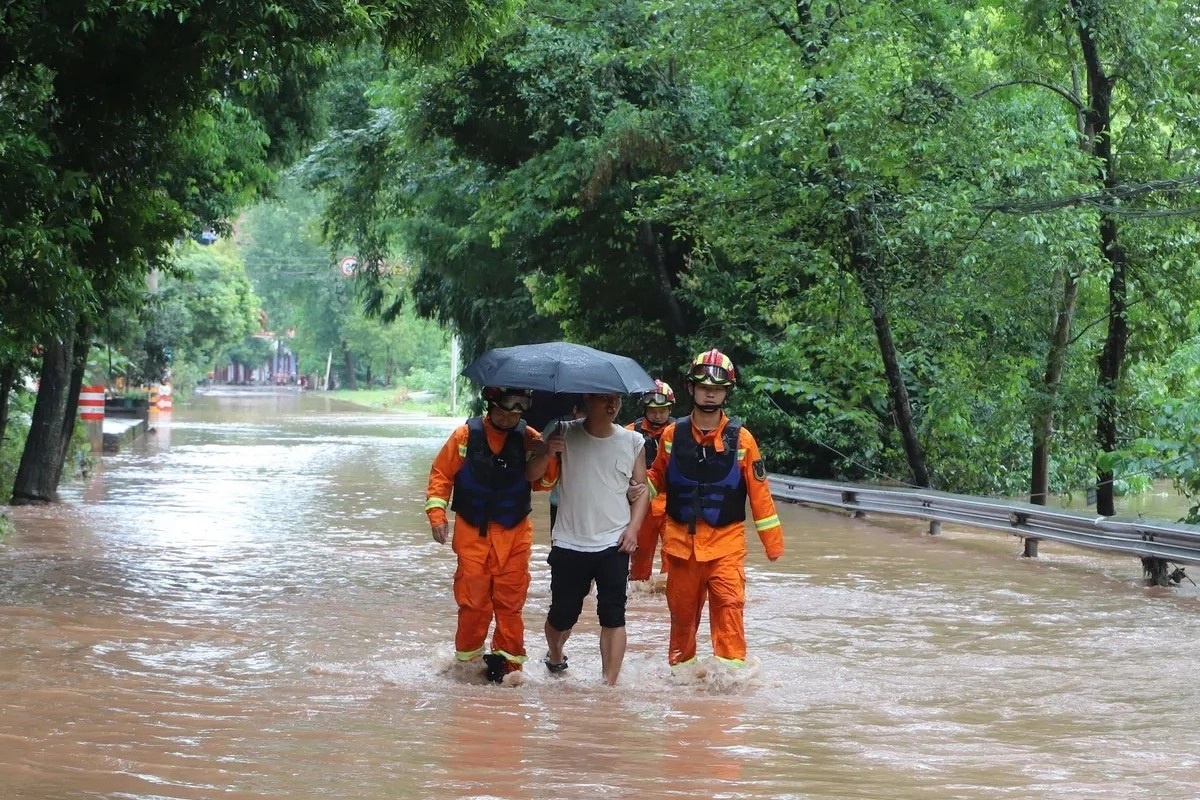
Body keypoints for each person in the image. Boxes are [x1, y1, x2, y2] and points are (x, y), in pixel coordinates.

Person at [646, 349, 784, 670]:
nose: (710, 393)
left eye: (718, 388)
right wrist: (628, 497)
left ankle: (731, 689)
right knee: (682, 622)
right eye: (704, 386)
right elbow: (656, 479)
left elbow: (760, 495)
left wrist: (773, 545)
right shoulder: (671, 435)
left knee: (730, 612)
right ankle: (681, 686)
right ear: (691, 388)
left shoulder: (743, 440)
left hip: (726, 547)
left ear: (726, 392)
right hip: (681, 549)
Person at [424, 386, 558, 683]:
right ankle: (468, 666)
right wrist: (437, 515)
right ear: (492, 404)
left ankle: (509, 668)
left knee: (511, 605)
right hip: (473, 534)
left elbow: (545, 483)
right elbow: (441, 475)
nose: (511, 418)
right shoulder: (464, 436)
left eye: (517, 412)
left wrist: (548, 454)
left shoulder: (530, 438)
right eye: (506, 410)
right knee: (473, 604)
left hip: (515, 535)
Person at [539, 391, 648, 685]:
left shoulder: (633, 441)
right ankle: (555, 653)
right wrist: (547, 452)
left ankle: (608, 687)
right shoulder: (563, 433)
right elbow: (533, 478)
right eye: (604, 398)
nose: (612, 405)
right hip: (569, 540)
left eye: (617, 399)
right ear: (588, 399)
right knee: (563, 614)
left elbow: (642, 489)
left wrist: (634, 529)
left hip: (614, 541)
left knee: (614, 615)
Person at [626, 379, 676, 583]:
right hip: (642, 503)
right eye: (653, 410)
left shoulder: (680, 431)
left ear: (669, 408)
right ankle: (639, 607)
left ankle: (669, 598)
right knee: (640, 559)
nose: (658, 415)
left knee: (674, 555)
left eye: (663, 410)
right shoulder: (629, 432)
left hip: (672, 503)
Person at [547, 400, 585, 533]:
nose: (586, 421)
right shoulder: (557, 427)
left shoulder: (601, 429)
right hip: (560, 502)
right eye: (583, 415)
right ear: (575, 410)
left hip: (589, 505)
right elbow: (537, 452)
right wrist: (550, 450)